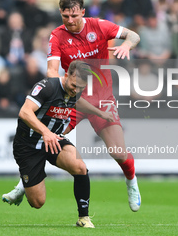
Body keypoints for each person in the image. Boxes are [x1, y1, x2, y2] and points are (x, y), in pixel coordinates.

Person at [2, 0, 142, 213]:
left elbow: (133, 35)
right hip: (72, 99)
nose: (69, 20)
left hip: (102, 99)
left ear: (82, 12)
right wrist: (59, 89)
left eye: (74, 15)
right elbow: (51, 71)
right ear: (60, 13)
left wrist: (127, 46)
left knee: (118, 153)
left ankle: (131, 182)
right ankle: (26, 183)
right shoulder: (56, 36)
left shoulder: (100, 26)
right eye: (65, 15)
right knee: (45, 138)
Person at [7, 60, 113, 228]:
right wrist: (46, 132)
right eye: (73, 85)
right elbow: (25, 112)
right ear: (66, 75)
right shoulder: (47, 87)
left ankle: (83, 218)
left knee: (80, 167)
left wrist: (100, 113)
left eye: (80, 88)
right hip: (29, 144)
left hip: (54, 140)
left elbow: (79, 101)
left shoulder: (76, 90)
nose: (76, 90)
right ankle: (25, 186)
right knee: (37, 202)